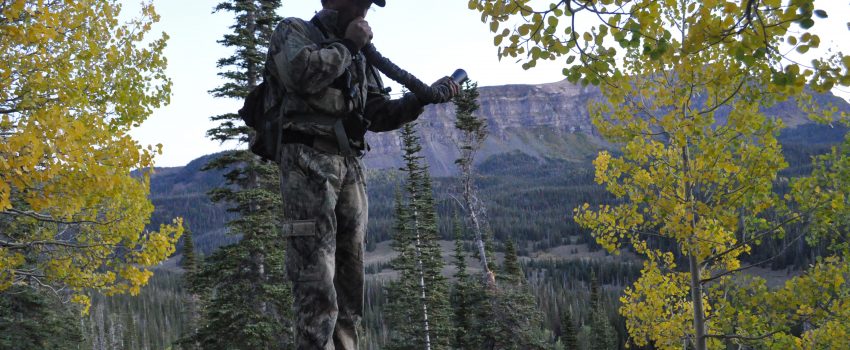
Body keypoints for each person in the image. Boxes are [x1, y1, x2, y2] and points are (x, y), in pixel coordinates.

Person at [264, 0, 460, 348]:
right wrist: (349, 45)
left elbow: (378, 113)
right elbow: (302, 75)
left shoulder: (359, 53)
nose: (364, 12)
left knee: (350, 282)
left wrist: (422, 98)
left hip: (349, 166)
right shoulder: (294, 31)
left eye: (369, 6)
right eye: (359, 2)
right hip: (307, 163)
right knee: (315, 283)